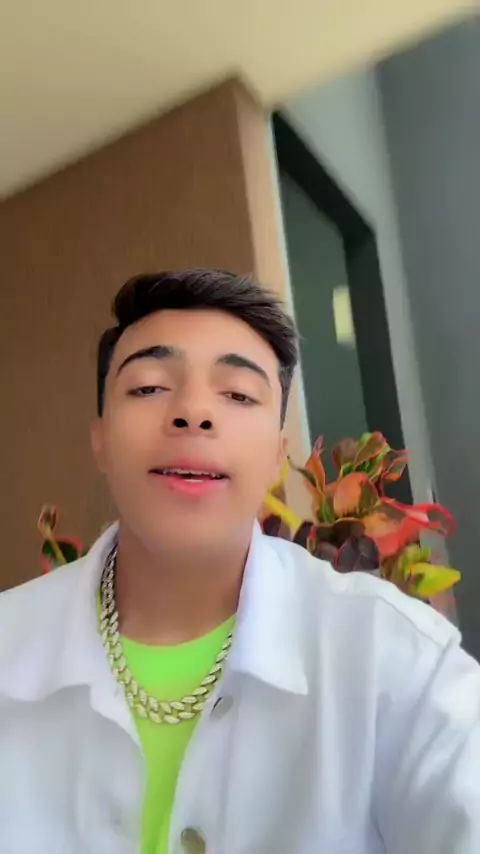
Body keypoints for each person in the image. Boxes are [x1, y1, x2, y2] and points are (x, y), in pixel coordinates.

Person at [0, 269, 479, 854]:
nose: (194, 412)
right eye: (148, 387)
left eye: (238, 394)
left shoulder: (397, 661)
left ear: (278, 455)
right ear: (100, 439)